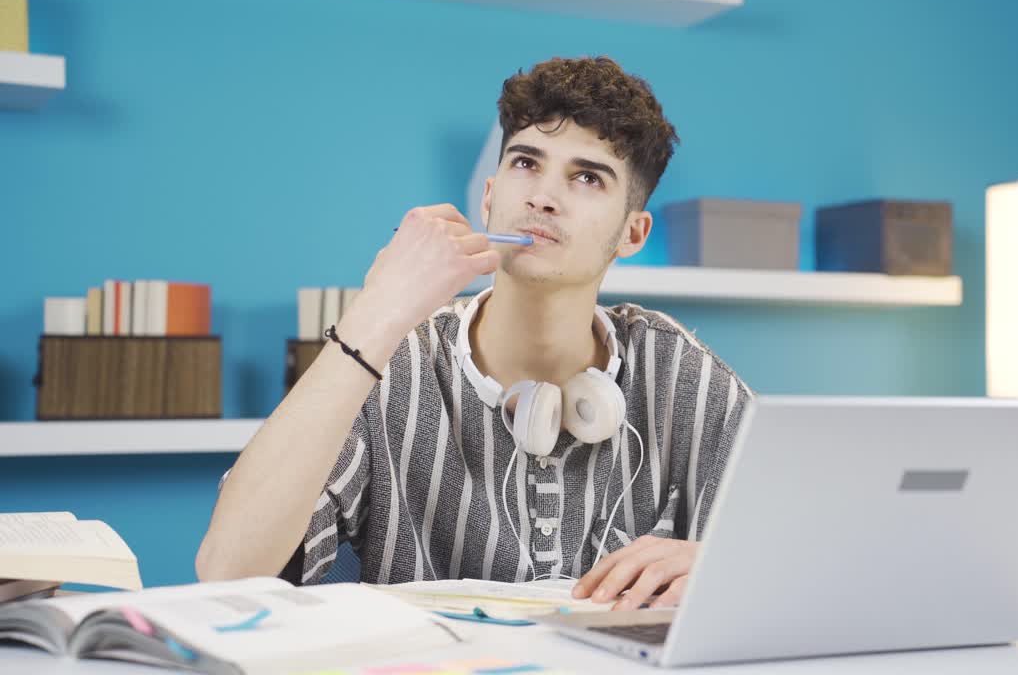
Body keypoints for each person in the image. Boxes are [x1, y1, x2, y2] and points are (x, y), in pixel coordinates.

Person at [197, 56, 752, 612]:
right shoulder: (393, 360)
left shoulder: (681, 373)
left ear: (633, 232)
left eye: (586, 177)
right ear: (489, 198)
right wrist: (374, 312)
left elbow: (813, 565)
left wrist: (722, 564)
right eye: (526, 163)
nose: (543, 197)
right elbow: (227, 571)